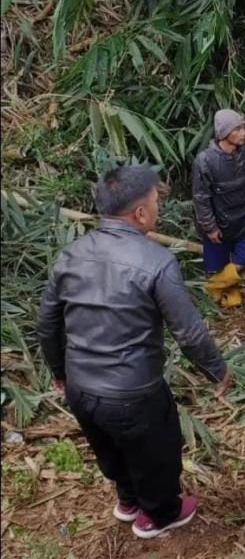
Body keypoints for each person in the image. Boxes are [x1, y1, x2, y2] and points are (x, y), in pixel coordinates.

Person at [36, 166, 232, 539]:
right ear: (140, 213)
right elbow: (188, 332)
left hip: (82, 386)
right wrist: (217, 369)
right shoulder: (157, 261)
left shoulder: (71, 255)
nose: (158, 207)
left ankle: (128, 500)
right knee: (157, 452)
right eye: (156, 201)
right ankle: (158, 515)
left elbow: (47, 324)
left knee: (108, 446)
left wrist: (59, 371)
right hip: (133, 392)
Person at [192, 109, 245, 307]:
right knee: (217, 265)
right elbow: (201, 197)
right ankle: (225, 293)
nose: (244, 133)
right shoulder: (205, 161)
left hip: (243, 220)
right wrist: (210, 227)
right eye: (238, 129)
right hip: (219, 224)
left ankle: (213, 287)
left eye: (243, 128)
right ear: (224, 133)